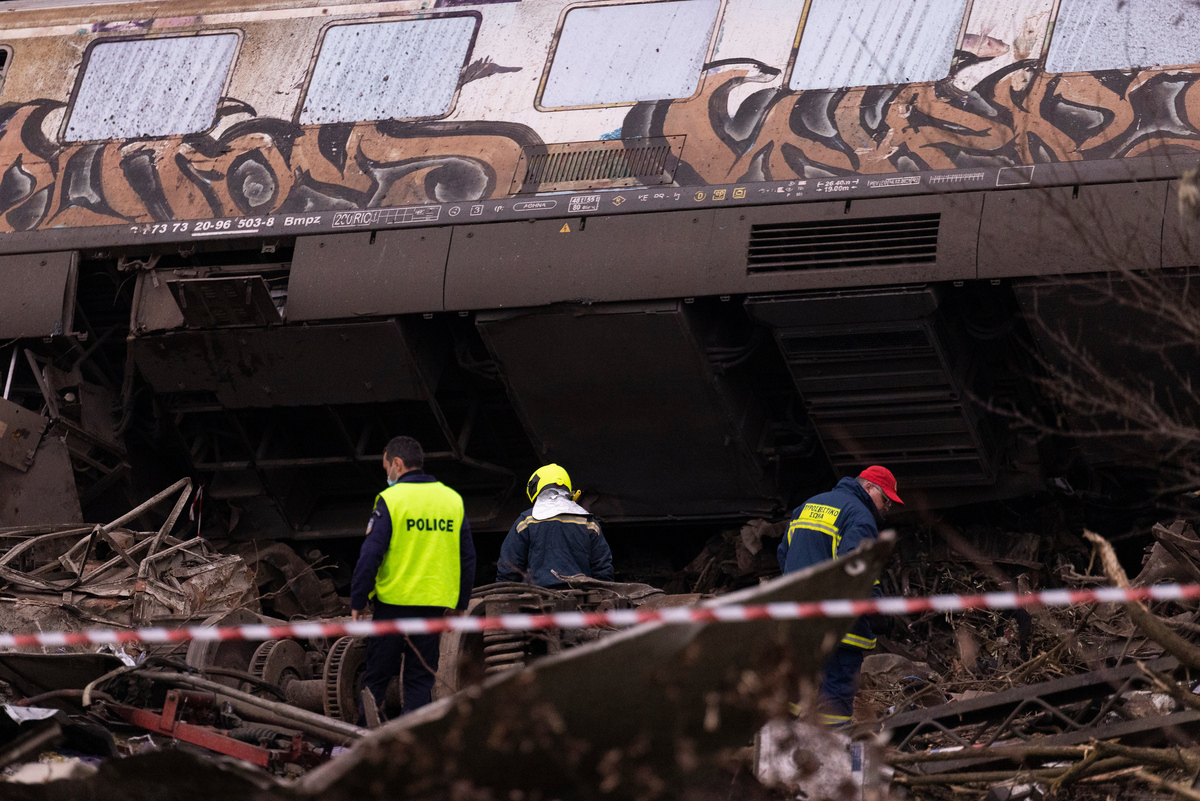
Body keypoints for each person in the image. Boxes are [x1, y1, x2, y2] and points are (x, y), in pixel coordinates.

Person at [350, 436, 476, 720]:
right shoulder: (451, 499)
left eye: (386, 469)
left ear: (397, 463)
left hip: (393, 605)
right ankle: (411, 744)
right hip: (433, 606)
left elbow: (371, 555)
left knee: (377, 678)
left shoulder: (391, 500)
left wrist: (359, 599)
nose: (387, 475)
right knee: (420, 680)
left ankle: (359, 743)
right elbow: (467, 557)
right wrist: (460, 602)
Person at [777, 465, 902, 727]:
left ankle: (782, 762)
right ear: (869, 487)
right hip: (836, 632)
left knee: (792, 697)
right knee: (833, 703)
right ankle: (829, 762)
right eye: (886, 500)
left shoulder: (808, 506)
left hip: (796, 624)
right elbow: (859, 573)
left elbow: (784, 554)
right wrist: (879, 616)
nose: (886, 509)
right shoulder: (859, 516)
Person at [497, 464, 614, 587]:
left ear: (535, 487)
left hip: (537, 601)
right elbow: (603, 568)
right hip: (580, 599)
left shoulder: (525, 521)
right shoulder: (588, 522)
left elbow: (509, 568)